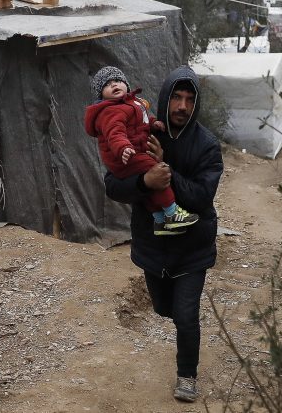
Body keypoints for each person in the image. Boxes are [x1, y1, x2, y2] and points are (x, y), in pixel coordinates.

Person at [104, 66, 224, 403]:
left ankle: (187, 375)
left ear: (196, 103)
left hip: (192, 244)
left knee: (186, 315)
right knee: (162, 307)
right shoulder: (139, 129)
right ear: (165, 97)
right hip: (153, 246)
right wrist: (145, 181)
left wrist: (166, 172)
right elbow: (113, 184)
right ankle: (183, 321)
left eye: (189, 99)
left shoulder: (207, 147)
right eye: (177, 97)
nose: (182, 106)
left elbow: (201, 197)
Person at [85, 66, 200, 234]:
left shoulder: (135, 103)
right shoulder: (110, 111)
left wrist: (153, 124)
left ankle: (160, 220)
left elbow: (142, 121)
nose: (114, 85)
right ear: (101, 95)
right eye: (107, 85)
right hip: (125, 156)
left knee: (153, 185)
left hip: (134, 152)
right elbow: (114, 133)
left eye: (117, 81)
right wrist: (123, 147)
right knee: (158, 171)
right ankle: (172, 212)